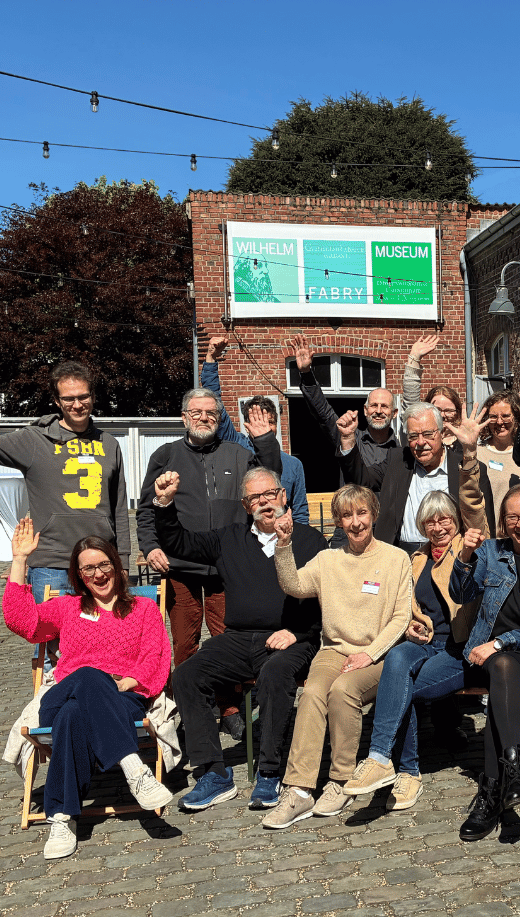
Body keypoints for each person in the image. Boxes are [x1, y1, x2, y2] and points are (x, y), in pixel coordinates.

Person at [404, 484, 520, 841]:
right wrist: (465, 556)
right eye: (512, 517)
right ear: (502, 522)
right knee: (501, 667)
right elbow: (460, 593)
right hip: (495, 660)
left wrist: (500, 641)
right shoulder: (489, 552)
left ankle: (491, 791)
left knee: (504, 666)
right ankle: (513, 769)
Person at [153, 467, 327, 812]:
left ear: (283, 496)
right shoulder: (229, 539)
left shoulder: (310, 541)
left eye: (269, 494)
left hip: (293, 638)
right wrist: (165, 503)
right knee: (187, 675)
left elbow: (327, 598)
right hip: (238, 638)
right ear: (246, 505)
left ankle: (269, 772)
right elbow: (177, 542)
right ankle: (214, 774)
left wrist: (298, 632)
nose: (264, 502)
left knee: (276, 675)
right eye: (254, 498)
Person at [2, 520, 172, 859]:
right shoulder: (68, 607)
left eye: (104, 564)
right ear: (79, 575)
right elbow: (23, 623)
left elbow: (156, 654)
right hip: (64, 691)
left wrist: (133, 680)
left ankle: (62, 817)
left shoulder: (144, 608)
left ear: (116, 565)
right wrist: (19, 560)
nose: (98, 574)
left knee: (72, 716)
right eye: (88, 569)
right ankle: (133, 768)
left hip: (121, 700)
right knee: (88, 677)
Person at [262, 486, 413, 828]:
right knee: (313, 693)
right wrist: (283, 545)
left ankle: (342, 780)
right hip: (333, 650)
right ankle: (299, 791)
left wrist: (370, 653)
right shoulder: (329, 559)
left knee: (343, 690)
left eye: (362, 513)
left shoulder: (395, 559)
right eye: (347, 516)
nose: (356, 522)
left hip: (379, 655)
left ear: (373, 514)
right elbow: (295, 585)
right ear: (339, 522)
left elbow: (401, 617)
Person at [343, 479, 487, 811]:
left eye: (444, 519)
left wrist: (467, 458)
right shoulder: (418, 558)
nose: (437, 527)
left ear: (455, 520)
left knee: (399, 690)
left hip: (456, 648)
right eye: (430, 521)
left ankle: (407, 771)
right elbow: (408, 604)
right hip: (423, 641)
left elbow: (477, 515)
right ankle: (381, 758)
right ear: (421, 524)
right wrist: (409, 623)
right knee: (395, 662)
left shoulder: (470, 548)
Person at [136, 388, 282, 669]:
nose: (204, 418)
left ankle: (230, 707)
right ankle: (191, 705)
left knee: (230, 639)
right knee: (184, 642)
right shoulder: (165, 456)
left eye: (211, 413)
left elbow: (271, 481)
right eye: (196, 412)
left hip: (227, 566)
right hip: (180, 566)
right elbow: (147, 508)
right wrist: (151, 545)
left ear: (219, 417)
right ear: (184, 418)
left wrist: (264, 441)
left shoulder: (239, 454)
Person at [0, 361, 130, 667]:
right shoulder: (34, 440)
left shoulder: (109, 444)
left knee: (106, 646)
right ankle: (53, 711)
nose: (77, 404)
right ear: (57, 402)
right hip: (52, 564)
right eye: (68, 398)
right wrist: (35, 427)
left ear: (93, 397)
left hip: (101, 565)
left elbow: (120, 507)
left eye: (83, 396)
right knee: (53, 655)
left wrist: (122, 561)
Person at [338, 402, 495, 552]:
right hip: (402, 554)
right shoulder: (398, 460)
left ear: (441, 433)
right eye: (413, 436)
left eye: (428, 434)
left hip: (452, 555)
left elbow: (484, 521)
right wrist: (347, 439)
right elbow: (361, 479)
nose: (421, 442)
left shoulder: (466, 469)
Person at [201, 335, 309, 523]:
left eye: (270, 422)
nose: (264, 428)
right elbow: (214, 403)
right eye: (257, 421)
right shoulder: (237, 446)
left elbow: (299, 513)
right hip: (243, 537)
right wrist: (211, 359)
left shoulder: (293, 465)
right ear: (246, 426)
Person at [284, 334, 403, 472]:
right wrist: (306, 374)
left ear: (394, 413)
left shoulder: (402, 449)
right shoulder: (348, 437)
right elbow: (324, 413)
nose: (378, 411)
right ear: (365, 410)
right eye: (374, 405)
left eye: (384, 406)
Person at [475, 390, 520, 512]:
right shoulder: (477, 453)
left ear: (516, 417)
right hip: (490, 528)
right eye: (493, 417)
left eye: (505, 416)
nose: (500, 422)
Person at [401, 333, 464, 442]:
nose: (443, 415)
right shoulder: (419, 438)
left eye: (449, 411)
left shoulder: (464, 439)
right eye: (437, 410)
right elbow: (410, 406)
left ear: (458, 413)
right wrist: (414, 358)